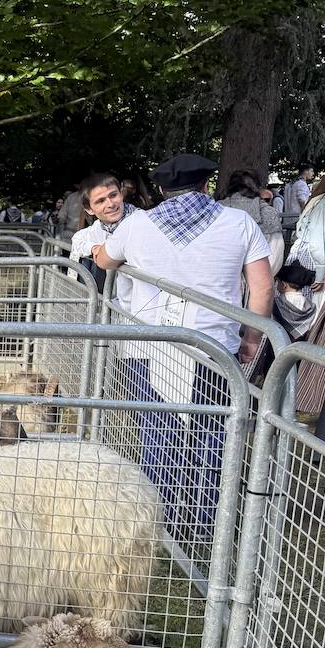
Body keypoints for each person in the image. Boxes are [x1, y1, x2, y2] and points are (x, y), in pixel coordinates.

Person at [93, 153, 272, 546]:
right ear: (206, 185)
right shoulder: (239, 222)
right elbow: (262, 288)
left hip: (152, 347)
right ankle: (206, 523)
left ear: (160, 189)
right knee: (211, 433)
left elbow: (105, 260)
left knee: (159, 432)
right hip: (214, 346)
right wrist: (251, 339)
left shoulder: (138, 224)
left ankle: (162, 522)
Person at [294, 167, 325, 416]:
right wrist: (322, 274)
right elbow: (319, 239)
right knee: (309, 325)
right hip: (315, 268)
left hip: (319, 268)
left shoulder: (320, 200)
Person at [71, 172, 137, 300]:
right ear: (89, 210)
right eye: (100, 201)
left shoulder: (139, 222)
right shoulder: (99, 226)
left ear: (121, 194)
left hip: (141, 307)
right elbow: (77, 239)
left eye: (113, 195)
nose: (110, 204)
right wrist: (94, 248)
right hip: (117, 304)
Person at [220, 169, 284, 275]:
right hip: (257, 279)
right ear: (257, 186)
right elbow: (275, 256)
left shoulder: (217, 208)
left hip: (221, 277)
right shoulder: (268, 212)